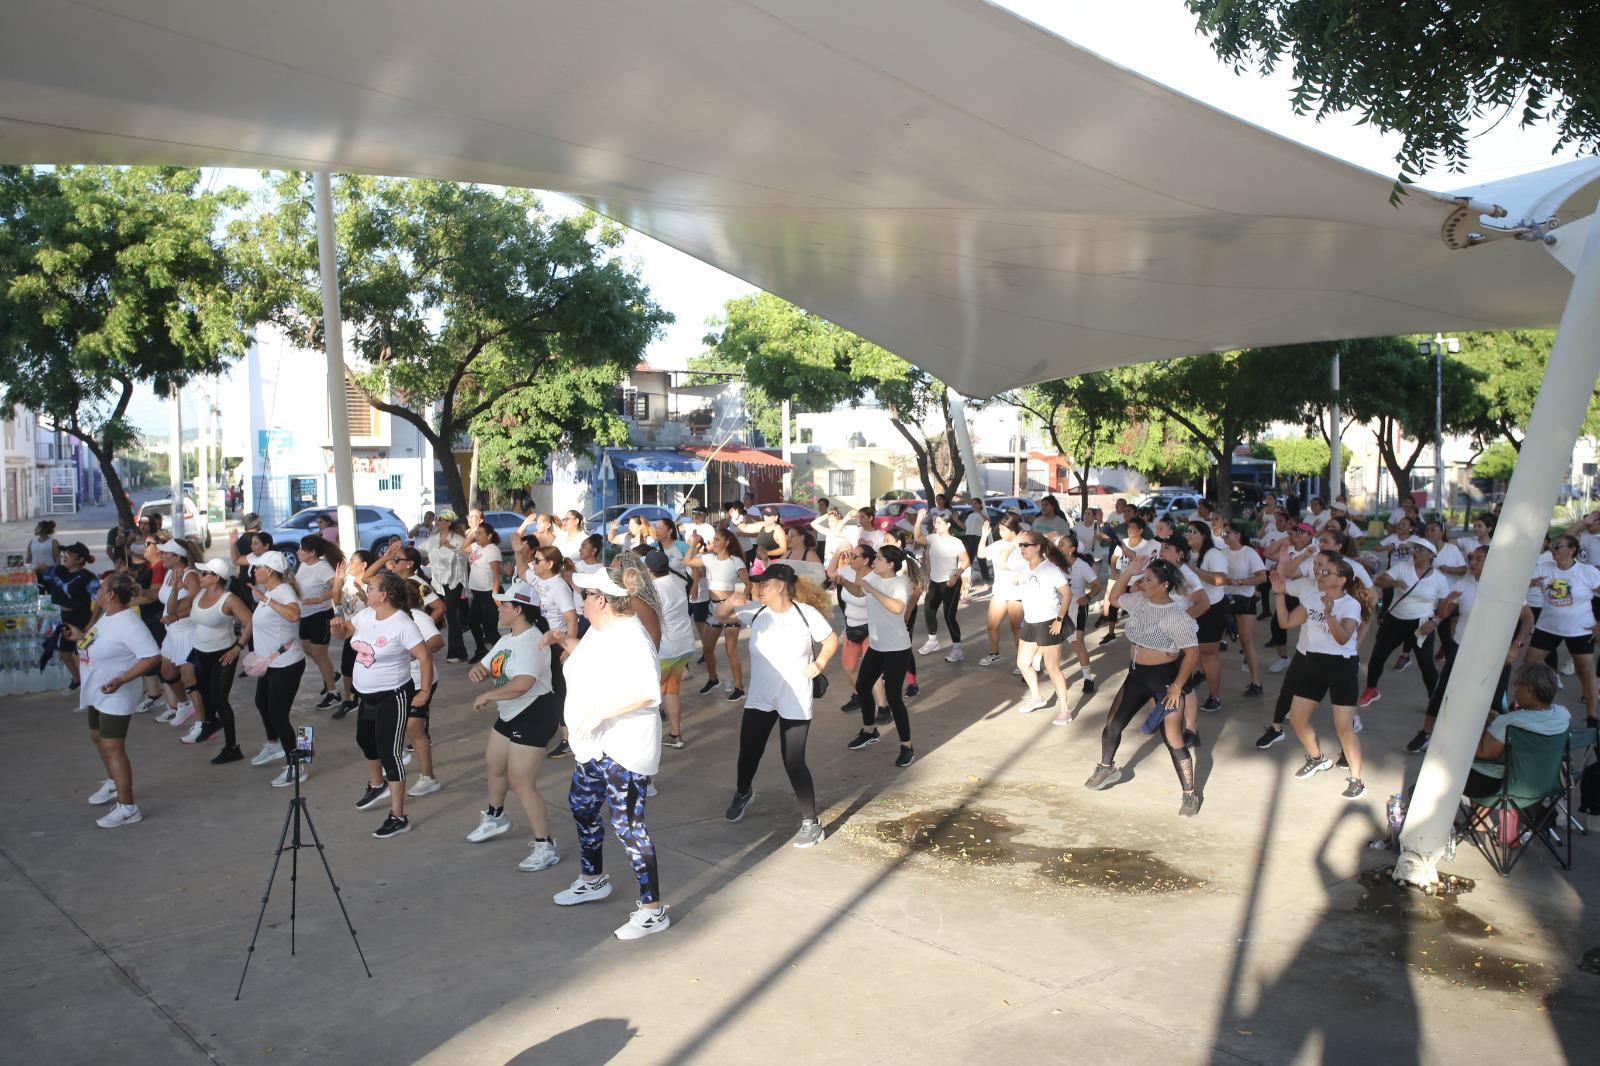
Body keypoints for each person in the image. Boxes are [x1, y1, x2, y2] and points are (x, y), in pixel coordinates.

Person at [545, 564, 671, 941]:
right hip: (594, 748)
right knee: (582, 808)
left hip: (623, 749)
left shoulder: (632, 637)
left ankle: (653, 910)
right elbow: (588, 659)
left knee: (629, 827)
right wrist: (561, 640)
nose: (580, 600)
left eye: (585, 595)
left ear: (601, 601)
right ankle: (593, 879)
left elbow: (650, 692)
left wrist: (599, 714)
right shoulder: (601, 630)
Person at [717, 563, 838, 847]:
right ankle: (743, 792)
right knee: (748, 753)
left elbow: (831, 640)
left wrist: (820, 663)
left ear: (781, 585)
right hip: (760, 698)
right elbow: (718, 615)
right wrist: (728, 603)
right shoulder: (755, 612)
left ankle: (811, 822)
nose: (758, 588)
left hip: (794, 699)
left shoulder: (806, 615)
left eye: (764, 584)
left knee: (793, 760)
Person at [1085, 555, 1204, 816]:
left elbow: (1192, 654)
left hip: (1165, 682)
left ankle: (1189, 794)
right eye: (1143, 577)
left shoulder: (1176, 616)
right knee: (1112, 725)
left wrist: (1177, 687)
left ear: (1164, 586)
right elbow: (1114, 598)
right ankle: (1107, 768)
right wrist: (1128, 572)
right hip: (1136, 677)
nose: (1142, 583)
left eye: (1148, 579)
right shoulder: (1139, 601)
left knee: (1173, 738)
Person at [466, 581, 563, 871]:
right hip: (510, 712)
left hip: (533, 713)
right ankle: (496, 817)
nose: (499, 609)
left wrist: (488, 694)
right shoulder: (507, 638)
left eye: (504, 605)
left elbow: (523, 685)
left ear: (518, 609)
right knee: (493, 765)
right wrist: (480, 671)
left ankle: (546, 846)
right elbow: (492, 665)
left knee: (521, 781)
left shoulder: (532, 641)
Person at [330, 571, 433, 837]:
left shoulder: (402, 623)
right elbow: (344, 635)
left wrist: (423, 691)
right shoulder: (365, 616)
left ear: (384, 594)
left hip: (393, 696)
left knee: (390, 754)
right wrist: (336, 625)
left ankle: (398, 816)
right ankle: (378, 785)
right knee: (365, 741)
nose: (367, 591)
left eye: (371, 588)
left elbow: (424, 658)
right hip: (366, 695)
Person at [1270, 553, 1369, 799]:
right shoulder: (1313, 597)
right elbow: (1286, 622)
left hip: (1341, 667)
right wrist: (1280, 594)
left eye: (1327, 573)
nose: (1320, 575)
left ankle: (1357, 780)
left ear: (1342, 580)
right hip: (1313, 663)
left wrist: (1328, 613)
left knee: (1343, 728)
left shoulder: (1351, 605)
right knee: (1298, 719)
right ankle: (1317, 758)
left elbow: (1343, 637)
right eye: (1321, 571)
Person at [1415, 546, 1534, 750]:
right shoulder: (1463, 584)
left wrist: (1516, 646)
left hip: (1495, 652)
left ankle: (1495, 742)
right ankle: (1426, 733)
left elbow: (1528, 619)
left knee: (1496, 699)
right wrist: (1446, 605)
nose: (1472, 563)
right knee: (1444, 691)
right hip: (1462, 647)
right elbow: (1444, 613)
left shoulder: (1508, 586)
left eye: (1479, 559)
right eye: (1471, 559)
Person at [72, 573, 161, 828]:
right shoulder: (107, 616)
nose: (97, 592)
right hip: (98, 692)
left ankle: (128, 807)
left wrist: (122, 679)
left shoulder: (129, 623)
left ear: (110, 594)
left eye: (100, 589)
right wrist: (79, 637)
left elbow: (151, 657)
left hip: (115, 695)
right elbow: (96, 643)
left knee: (114, 748)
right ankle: (113, 783)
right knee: (97, 736)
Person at [834, 544, 920, 767]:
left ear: (890, 564)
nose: (875, 562)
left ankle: (907, 746)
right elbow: (859, 591)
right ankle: (869, 730)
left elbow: (897, 608)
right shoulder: (872, 579)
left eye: (880, 559)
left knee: (893, 697)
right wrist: (846, 583)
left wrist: (871, 589)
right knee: (863, 686)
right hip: (877, 645)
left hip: (896, 648)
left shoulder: (900, 582)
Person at [1360, 537, 1452, 711]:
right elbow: (1380, 580)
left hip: (1421, 624)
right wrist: (1392, 582)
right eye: (1414, 549)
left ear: (1431, 556)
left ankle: (1435, 702)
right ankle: (1371, 689)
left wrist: (1434, 623)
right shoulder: (1402, 567)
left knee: (1426, 664)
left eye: (1420, 550)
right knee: (1378, 656)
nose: (1415, 552)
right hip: (1394, 620)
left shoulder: (1439, 579)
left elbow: (1444, 607)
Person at [1462, 662, 1571, 800]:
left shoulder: (1510, 722)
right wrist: (1499, 720)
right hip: (1543, 784)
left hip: (1497, 787)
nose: (1515, 689)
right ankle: (1476, 819)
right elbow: (1532, 721)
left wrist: (1466, 727)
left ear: (1529, 690)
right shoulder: (1562, 716)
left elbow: (1484, 753)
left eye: (1517, 685)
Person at [1524, 533, 1600, 727]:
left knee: (1586, 671)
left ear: (1572, 550)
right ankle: (1532, 707)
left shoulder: (1587, 571)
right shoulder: (1544, 568)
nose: (1553, 550)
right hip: (1547, 627)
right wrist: (1527, 582)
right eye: (1553, 547)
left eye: (1558, 546)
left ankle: (1592, 715)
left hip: (1580, 629)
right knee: (1529, 665)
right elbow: (1517, 582)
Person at [247, 551, 307, 780]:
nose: (254, 571)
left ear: (269, 570)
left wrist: (267, 601)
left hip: (286, 663)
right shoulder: (271, 590)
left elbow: (294, 615)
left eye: (257, 567)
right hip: (269, 663)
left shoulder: (283, 591)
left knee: (278, 714)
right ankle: (274, 745)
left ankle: (297, 766)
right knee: (262, 703)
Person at [187, 558, 254, 761]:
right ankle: (210, 723)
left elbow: (249, 621)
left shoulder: (229, 599)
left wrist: (238, 647)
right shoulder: (199, 594)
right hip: (200, 652)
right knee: (204, 693)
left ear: (216, 578)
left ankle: (232, 747)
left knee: (219, 699)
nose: (200, 577)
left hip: (222, 655)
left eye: (204, 573)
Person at [1012, 533, 1075, 717]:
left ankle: (1065, 709)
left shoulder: (1050, 569)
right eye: (1021, 545)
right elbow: (1001, 562)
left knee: (1052, 668)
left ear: (1038, 547)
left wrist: (1059, 620)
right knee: (1023, 663)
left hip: (1049, 622)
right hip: (1031, 623)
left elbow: (1067, 594)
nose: (1022, 548)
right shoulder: (1023, 567)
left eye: (1026, 545)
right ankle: (1037, 697)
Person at [687, 528, 751, 700]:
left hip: (730, 610)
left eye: (717, 539)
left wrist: (743, 597)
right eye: (713, 539)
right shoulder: (707, 558)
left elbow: (748, 583)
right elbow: (687, 561)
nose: (714, 542)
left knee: (731, 650)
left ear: (727, 542)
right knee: (707, 648)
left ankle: (739, 687)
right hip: (713, 609)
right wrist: (694, 542)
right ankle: (713, 679)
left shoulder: (735, 561)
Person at [646, 549, 696, 748]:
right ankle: (675, 735)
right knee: (671, 691)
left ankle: (648, 741)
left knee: (649, 696)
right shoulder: (678, 581)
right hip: (684, 645)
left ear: (648, 570)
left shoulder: (653, 590)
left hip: (664, 649)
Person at [912, 509, 971, 662]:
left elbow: (965, 561)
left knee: (949, 616)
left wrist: (956, 576)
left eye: (939, 523)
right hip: (934, 582)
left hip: (950, 583)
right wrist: (919, 519)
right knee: (928, 611)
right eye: (934, 522)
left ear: (948, 525)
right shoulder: (932, 538)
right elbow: (918, 537)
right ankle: (933, 641)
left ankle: (957, 650)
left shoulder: (956, 542)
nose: (935, 525)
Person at [1185, 522, 1232, 713]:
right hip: (1191, 609)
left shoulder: (1214, 554)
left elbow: (1221, 579)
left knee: (1208, 655)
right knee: (1189, 653)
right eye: (1187, 531)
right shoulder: (1187, 554)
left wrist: (1196, 570)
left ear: (1204, 535)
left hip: (1212, 609)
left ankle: (1214, 697)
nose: (1188, 535)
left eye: (1193, 532)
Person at [295, 535, 345, 710]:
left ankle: (333, 693)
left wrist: (319, 599)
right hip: (305, 615)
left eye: (302, 549)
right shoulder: (303, 565)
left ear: (313, 553)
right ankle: (331, 674)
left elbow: (338, 586)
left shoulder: (322, 567)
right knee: (307, 648)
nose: (298, 552)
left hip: (321, 614)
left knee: (319, 654)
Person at [41, 541, 99, 690]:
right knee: (64, 654)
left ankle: (89, 687)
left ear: (80, 560)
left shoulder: (88, 577)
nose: (65, 557)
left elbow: (100, 601)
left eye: (70, 555)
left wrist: (91, 623)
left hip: (82, 617)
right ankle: (77, 679)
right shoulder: (60, 571)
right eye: (64, 554)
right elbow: (43, 573)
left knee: (81, 655)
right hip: (65, 618)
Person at [827, 542, 875, 713]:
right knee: (849, 667)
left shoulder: (875, 576)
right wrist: (838, 551)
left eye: (855, 556)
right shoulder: (847, 571)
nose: (850, 559)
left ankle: (882, 705)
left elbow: (859, 591)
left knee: (872, 671)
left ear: (866, 560)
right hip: (852, 626)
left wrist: (846, 583)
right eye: (850, 555)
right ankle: (859, 696)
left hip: (872, 628)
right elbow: (830, 573)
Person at [1058, 532, 1103, 697]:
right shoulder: (1054, 564)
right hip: (1057, 607)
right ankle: (1035, 669)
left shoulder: (1081, 565)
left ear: (1072, 549)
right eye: (1059, 543)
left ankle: (1088, 679)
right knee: (1047, 643)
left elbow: (1097, 585)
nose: (1059, 546)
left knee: (1077, 645)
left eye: (1063, 544)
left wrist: (1088, 597)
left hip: (1076, 607)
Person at [1100, 516, 1157, 645]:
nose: (1130, 530)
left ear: (1140, 531)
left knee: (1137, 609)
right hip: (1124, 580)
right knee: (1113, 605)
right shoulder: (1124, 542)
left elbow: (1138, 560)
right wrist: (1116, 570)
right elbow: (1116, 557)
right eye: (1129, 527)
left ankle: (1139, 635)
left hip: (1138, 582)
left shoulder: (1146, 546)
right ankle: (1111, 633)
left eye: (1133, 528)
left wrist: (1123, 547)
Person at [422, 512, 470, 663]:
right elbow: (419, 551)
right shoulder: (432, 540)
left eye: (440, 519)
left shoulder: (458, 540)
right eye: (436, 518)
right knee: (429, 610)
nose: (437, 521)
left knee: (450, 614)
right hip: (437, 583)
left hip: (454, 582)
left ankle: (457, 652)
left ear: (449, 522)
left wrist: (452, 549)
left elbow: (465, 557)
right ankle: (425, 647)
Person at [465, 522, 504, 662]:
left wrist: (495, 595)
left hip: (489, 593)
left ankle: (501, 656)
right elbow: (464, 547)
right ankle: (481, 649)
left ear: (489, 536)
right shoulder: (476, 546)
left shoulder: (492, 550)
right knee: (473, 622)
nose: (477, 536)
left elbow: (496, 575)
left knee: (490, 628)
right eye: (477, 533)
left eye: (480, 533)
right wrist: (473, 532)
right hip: (478, 593)